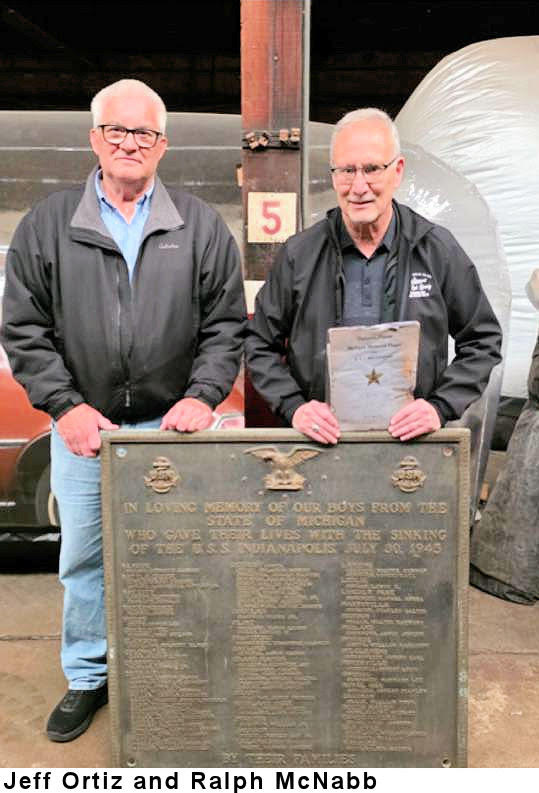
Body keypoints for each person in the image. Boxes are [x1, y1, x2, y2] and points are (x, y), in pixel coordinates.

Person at [1, 79, 246, 742]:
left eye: (143, 133)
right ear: (95, 139)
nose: (129, 143)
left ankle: (171, 673)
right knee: (85, 557)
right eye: (117, 130)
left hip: (172, 430)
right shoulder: (49, 224)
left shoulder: (199, 226)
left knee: (179, 558)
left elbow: (225, 325)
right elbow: (24, 328)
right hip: (87, 429)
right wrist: (65, 407)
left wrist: (201, 396)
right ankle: (88, 675)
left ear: (162, 145)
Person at [245, 108, 502, 444]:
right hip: (321, 445)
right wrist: (295, 407)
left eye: (371, 169)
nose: (359, 186)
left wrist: (439, 407)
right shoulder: (300, 255)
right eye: (347, 171)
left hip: (411, 447)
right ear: (333, 175)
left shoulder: (434, 250)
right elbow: (258, 343)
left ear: (397, 171)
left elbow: (483, 340)